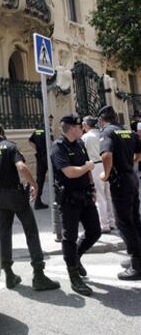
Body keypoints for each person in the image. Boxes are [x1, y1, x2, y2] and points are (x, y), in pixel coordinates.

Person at [0, 118, 60, 292]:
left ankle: (9, 274)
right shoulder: (10, 146)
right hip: (16, 195)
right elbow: (21, 167)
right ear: (1, 132)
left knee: (4, 234)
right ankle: (38, 275)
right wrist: (35, 184)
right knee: (31, 231)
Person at [51, 115, 101, 296]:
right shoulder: (58, 147)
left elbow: (85, 166)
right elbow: (69, 172)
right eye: (80, 126)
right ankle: (73, 275)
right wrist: (87, 168)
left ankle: (76, 256)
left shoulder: (80, 144)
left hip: (86, 196)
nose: (82, 128)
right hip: (69, 199)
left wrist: (93, 187)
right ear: (72, 128)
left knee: (95, 231)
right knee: (69, 236)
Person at [98, 105, 141, 280]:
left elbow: (106, 155)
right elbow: (139, 152)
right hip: (132, 177)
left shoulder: (107, 132)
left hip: (120, 182)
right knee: (135, 219)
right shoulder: (127, 131)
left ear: (102, 119)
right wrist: (130, 162)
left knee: (123, 223)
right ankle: (138, 258)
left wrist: (106, 174)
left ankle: (137, 265)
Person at [81, 115, 115, 233]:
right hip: (106, 164)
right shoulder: (102, 134)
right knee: (108, 194)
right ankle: (111, 221)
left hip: (94, 166)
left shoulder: (85, 137)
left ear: (86, 125)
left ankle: (104, 224)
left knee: (100, 196)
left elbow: (82, 153)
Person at [28, 126, 52, 209]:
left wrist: (38, 149)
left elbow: (30, 141)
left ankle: (37, 201)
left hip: (40, 156)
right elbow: (51, 142)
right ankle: (59, 201)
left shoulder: (37, 130)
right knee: (56, 177)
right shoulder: (47, 130)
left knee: (40, 179)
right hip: (47, 156)